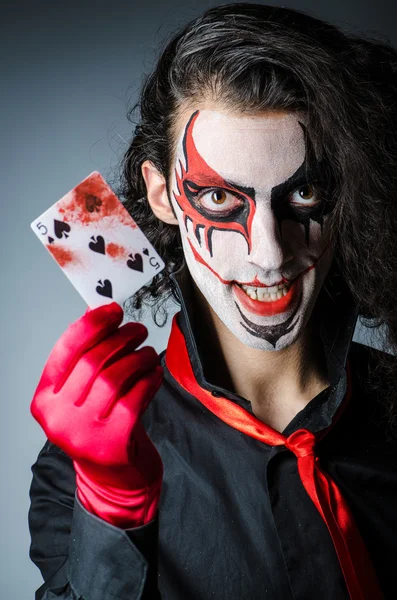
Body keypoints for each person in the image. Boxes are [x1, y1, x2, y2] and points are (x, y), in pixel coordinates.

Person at [28, 4, 397, 599]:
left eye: (303, 192)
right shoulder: (81, 467)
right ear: (162, 195)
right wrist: (111, 508)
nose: (270, 255)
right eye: (220, 199)